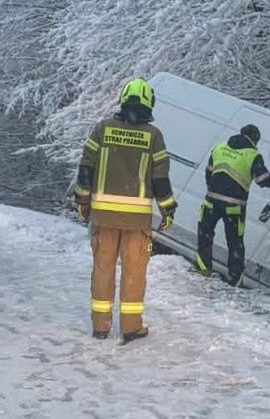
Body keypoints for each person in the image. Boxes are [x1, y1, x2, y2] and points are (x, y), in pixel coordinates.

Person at [74, 78, 177, 342]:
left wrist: (83, 203)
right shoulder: (154, 137)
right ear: (148, 104)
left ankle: (100, 326)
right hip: (136, 222)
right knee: (134, 273)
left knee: (103, 269)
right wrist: (168, 210)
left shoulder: (103, 129)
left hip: (103, 218)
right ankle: (131, 327)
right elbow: (160, 180)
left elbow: (86, 168)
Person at [197, 124, 270, 286]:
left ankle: (203, 270)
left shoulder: (220, 147)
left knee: (205, 236)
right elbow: (263, 180)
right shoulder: (253, 155)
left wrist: (214, 190)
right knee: (235, 244)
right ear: (254, 139)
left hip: (211, 203)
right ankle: (235, 280)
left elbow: (209, 172)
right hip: (234, 207)